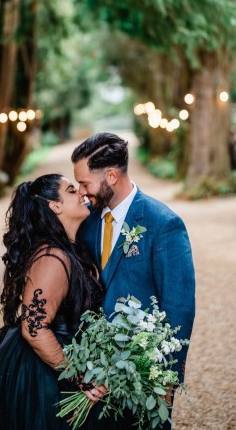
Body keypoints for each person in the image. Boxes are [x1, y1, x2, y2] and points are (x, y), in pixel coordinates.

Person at [0, 173, 105, 430]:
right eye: (70, 190)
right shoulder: (53, 258)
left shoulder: (70, 249)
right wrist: (79, 376)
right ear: (54, 206)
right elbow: (34, 329)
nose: (80, 192)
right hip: (43, 373)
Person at [72, 133, 196, 428]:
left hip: (142, 368)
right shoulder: (86, 222)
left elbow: (179, 306)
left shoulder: (163, 223)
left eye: (85, 183)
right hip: (94, 374)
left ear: (111, 176)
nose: (80, 192)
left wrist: (167, 379)